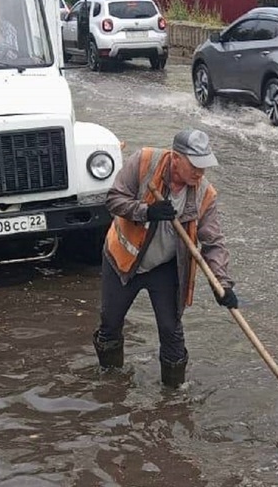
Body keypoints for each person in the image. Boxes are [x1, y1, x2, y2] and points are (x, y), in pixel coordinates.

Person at [93, 128, 240, 388]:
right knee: (110, 325)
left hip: (165, 267)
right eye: (194, 166)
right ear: (175, 158)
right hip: (123, 260)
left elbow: (213, 242)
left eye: (204, 167)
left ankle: (174, 397)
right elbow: (114, 199)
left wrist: (223, 283)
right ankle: (110, 384)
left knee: (172, 333)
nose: (200, 173)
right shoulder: (143, 161)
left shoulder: (205, 195)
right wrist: (146, 211)